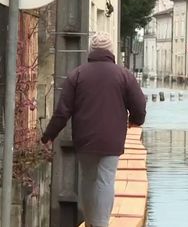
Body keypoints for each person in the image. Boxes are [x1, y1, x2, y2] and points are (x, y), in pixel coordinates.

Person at [41, 32, 147, 227]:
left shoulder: (77, 74)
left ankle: (90, 221)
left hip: (84, 138)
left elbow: (62, 112)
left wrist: (49, 135)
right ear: (111, 51)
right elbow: (139, 104)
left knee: (88, 179)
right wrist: (135, 121)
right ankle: (101, 223)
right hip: (112, 139)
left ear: (91, 51)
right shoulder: (124, 75)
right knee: (106, 179)